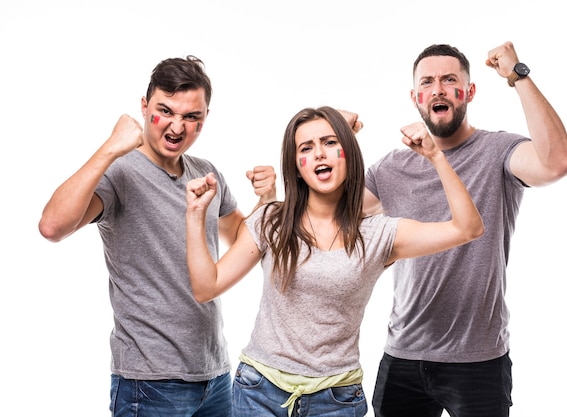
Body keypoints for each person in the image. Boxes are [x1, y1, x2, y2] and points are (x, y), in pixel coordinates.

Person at [185, 106, 484, 417]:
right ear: (296, 166)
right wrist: (195, 215)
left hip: (337, 400)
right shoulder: (272, 220)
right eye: (306, 148)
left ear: (348, 154)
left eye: (329, 143)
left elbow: (468, 228)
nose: (319, 154)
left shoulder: (378, 234)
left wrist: (436, 157)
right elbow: (207, 287)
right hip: (259, 390)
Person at [38, 55, 276, 417]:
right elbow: (52, 226)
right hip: (148, 385)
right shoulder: (120, 172)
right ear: (144, 106)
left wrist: (266, 200)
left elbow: (246, 242)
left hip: (214, 376)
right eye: (165, 111)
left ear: (205, 118)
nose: (177, 127)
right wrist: (110, 147)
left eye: (191, 116)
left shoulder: (206, 172)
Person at [362, 42, 567, 416]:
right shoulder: (389, 169)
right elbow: (327, 217)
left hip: (479, 360)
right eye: (427, 83)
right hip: (403, 356)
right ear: (416, 97)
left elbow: (558, 162)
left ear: (470, 92)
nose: (439, 89)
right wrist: (338, 137)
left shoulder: (498, 150)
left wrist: (518, 75)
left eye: (450, 80)